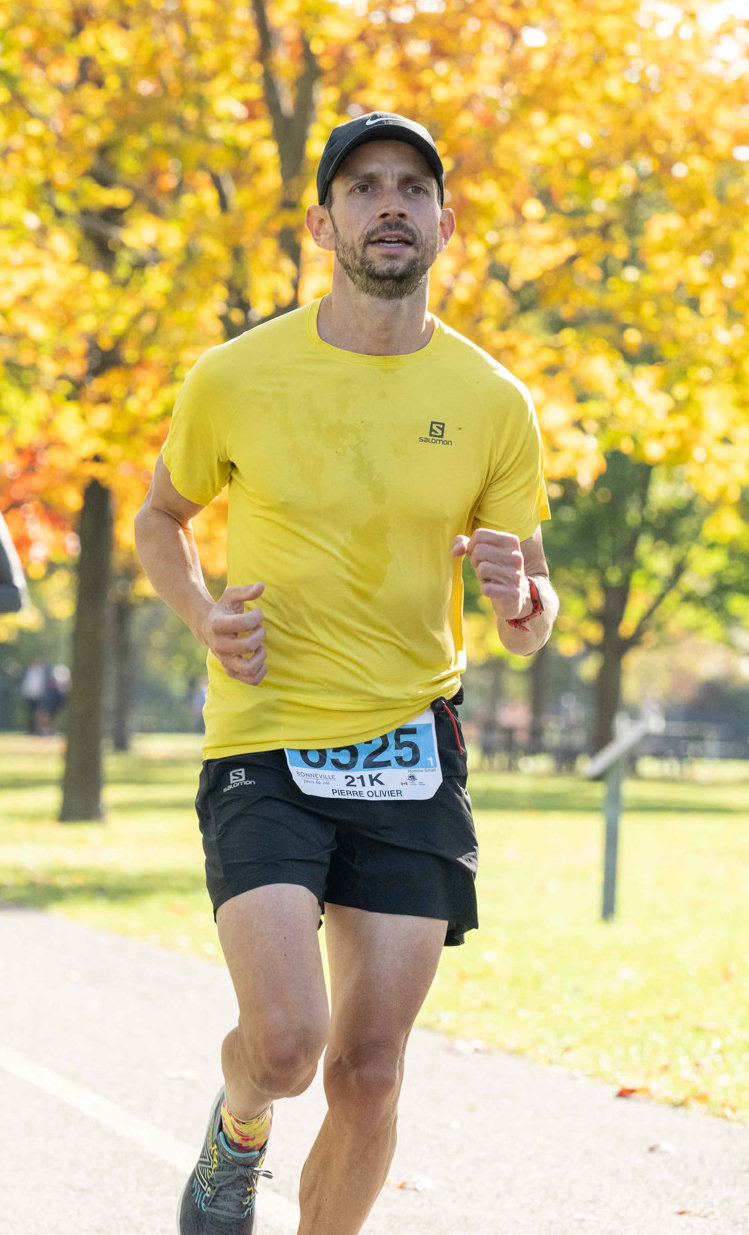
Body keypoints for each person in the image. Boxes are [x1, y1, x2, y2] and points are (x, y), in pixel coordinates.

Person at [135, 110, 558, 1235]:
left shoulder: (491, 401)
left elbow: (528, 619)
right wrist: (199, 610)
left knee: (368, 1073)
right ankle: (237, 1124)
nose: (388, 204)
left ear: (442, 223)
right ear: (322, 220)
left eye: (411, 188)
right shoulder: (236, 375)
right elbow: (161, 517)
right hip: (263, 737)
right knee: (283, 1044)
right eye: (363, 186)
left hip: (412, 746)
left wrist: (522, 596)